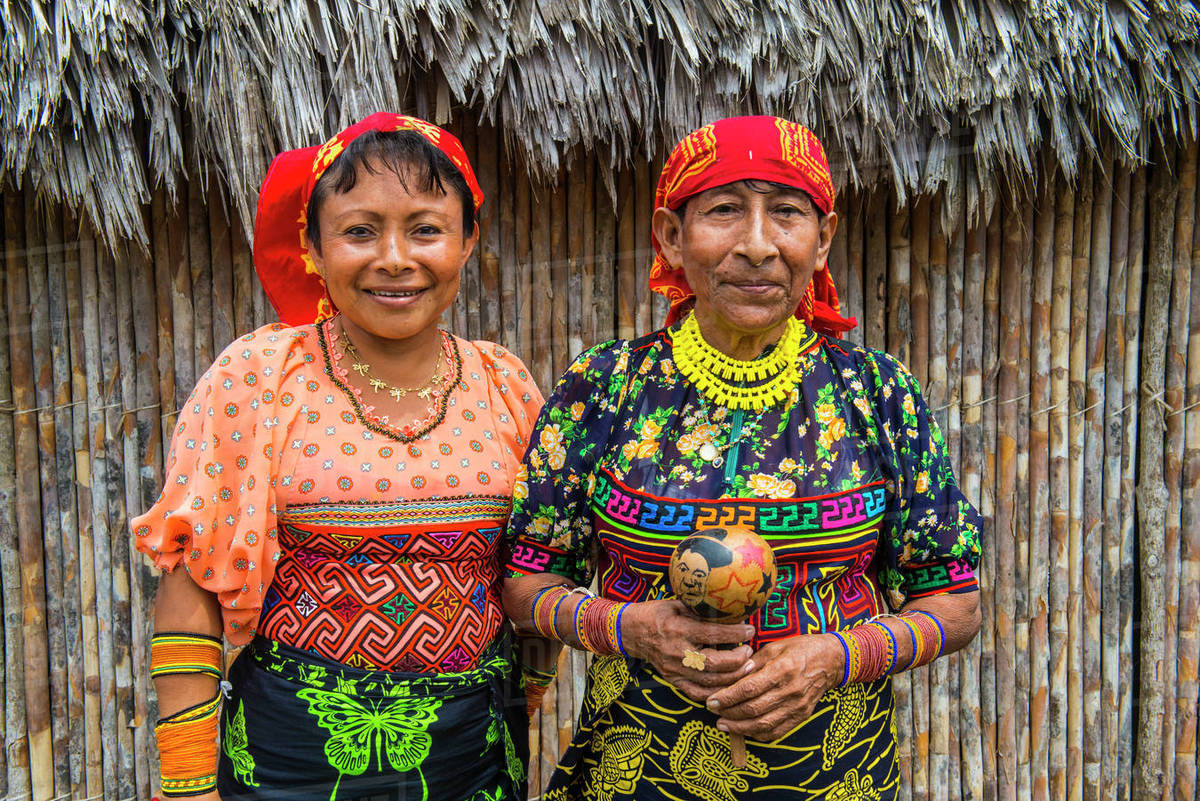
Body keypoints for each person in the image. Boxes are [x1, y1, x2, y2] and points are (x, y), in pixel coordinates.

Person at [501, 115, 983, 800]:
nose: (758, 245)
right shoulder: (607, 387)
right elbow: (525, 583)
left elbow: (955, 601)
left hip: (833, 775)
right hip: (636, 771)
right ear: (672, 235)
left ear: (823, 241)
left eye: (787, 214)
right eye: (724, 211)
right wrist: (631, 628)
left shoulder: (876, 393)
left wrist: (834, 657)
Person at [133, 113, 544, 801]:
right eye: (359, 230)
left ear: (467, 240)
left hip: (470, 757)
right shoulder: (261, 376)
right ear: (314, 248)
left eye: (425, 228)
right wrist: (186, 785)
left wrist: (517, 702)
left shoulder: (503, 383)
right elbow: (192, 580)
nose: (393, 257)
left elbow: (532, 569)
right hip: (289, 755)